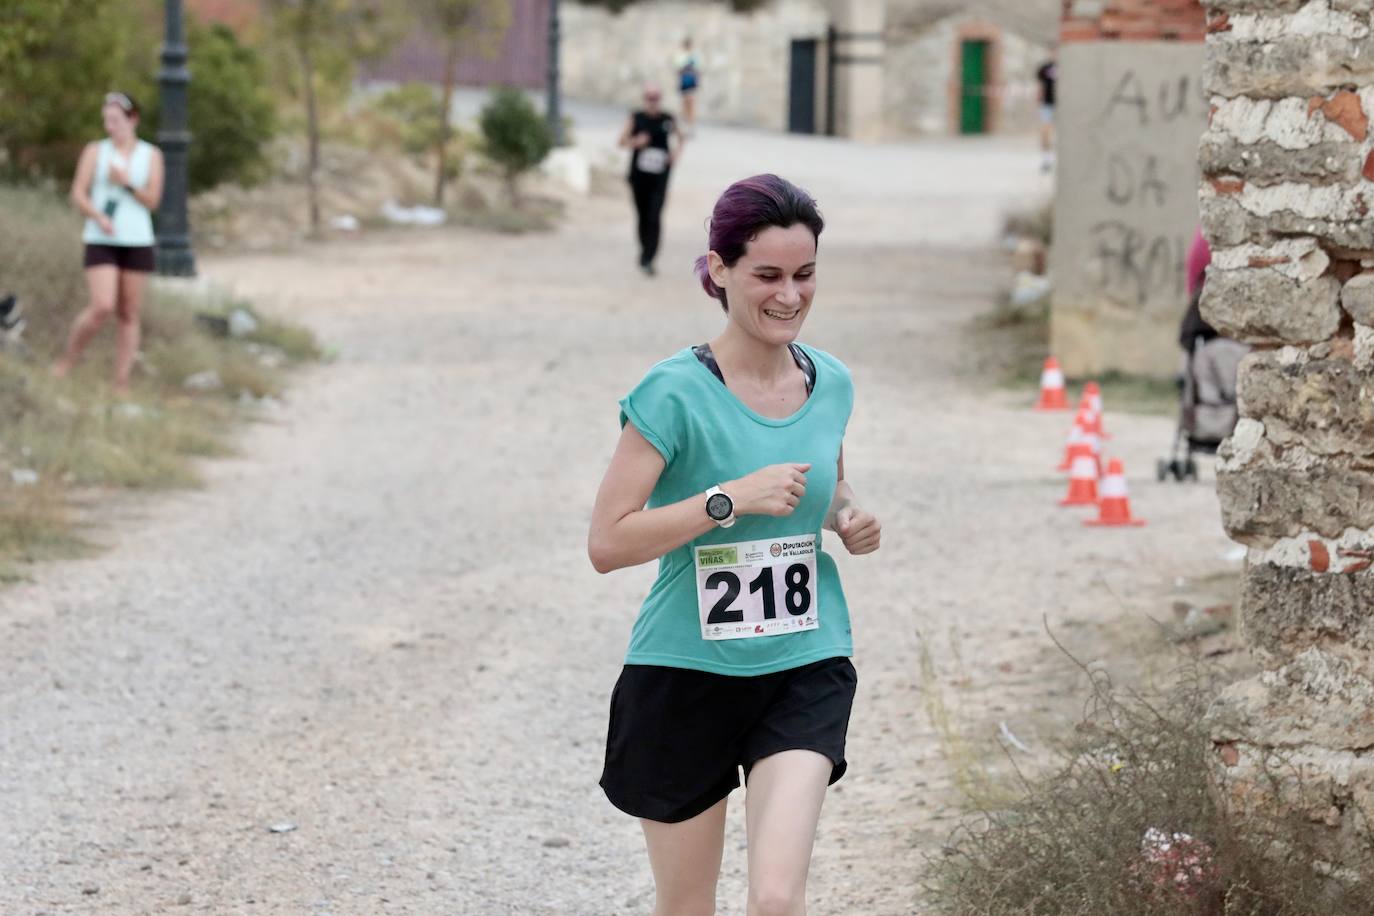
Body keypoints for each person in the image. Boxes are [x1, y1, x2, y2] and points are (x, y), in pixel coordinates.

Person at [588, 174, 882, 916]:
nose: (790, 295)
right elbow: (608, 542)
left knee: (777, 899)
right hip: (684, 671)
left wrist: (847, 513)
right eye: (768, 275)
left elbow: (824, 483)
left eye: (805, 274)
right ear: (720, 270)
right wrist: (728, 501)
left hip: (803, 662)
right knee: (688, 906)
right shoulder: (672, 393)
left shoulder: (831, 382)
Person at [53, 91, 165, 396]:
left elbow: (153, 200)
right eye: (106, 120)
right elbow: (78, 193)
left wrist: (127, 183)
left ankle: (120, 382)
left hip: (137, 238)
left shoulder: (151, 155)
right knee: (102, 305)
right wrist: (97, 216)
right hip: (102, 237)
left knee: (128, 312)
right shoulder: (96, 151)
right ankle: (68, 360)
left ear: (132, 119)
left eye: (115, 120)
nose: (110, 126)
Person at [619, 85, 685, 278]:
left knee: (654, 215)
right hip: (639, 176)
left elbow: (681, 138)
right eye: (649, 97)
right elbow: (621, 141)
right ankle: (644, 249)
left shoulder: (667, 119)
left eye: (656, 97)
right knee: (642, 215)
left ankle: (649, 257)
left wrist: (675, 155)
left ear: (660, 99)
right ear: (644, 99)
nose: (652, 101)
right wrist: (636, 142)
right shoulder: (636, 117)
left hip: (660, 177)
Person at [1036, 46, 1057, 174]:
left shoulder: (1067, 66)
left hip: (1063, 106)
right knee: (1045, 132)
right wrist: (1039, 101)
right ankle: (1046, 159)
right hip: (1047, 104)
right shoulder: (1043, 68)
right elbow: (1040, 87)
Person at [675, 37, 701, 135]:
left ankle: (690, 125)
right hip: (685, 82)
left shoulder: (694, 56)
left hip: (691, 82)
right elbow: (678, 69)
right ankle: (686, 125)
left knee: (691, 103)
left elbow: (697, 70)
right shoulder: (681, 56)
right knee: (685, 103)